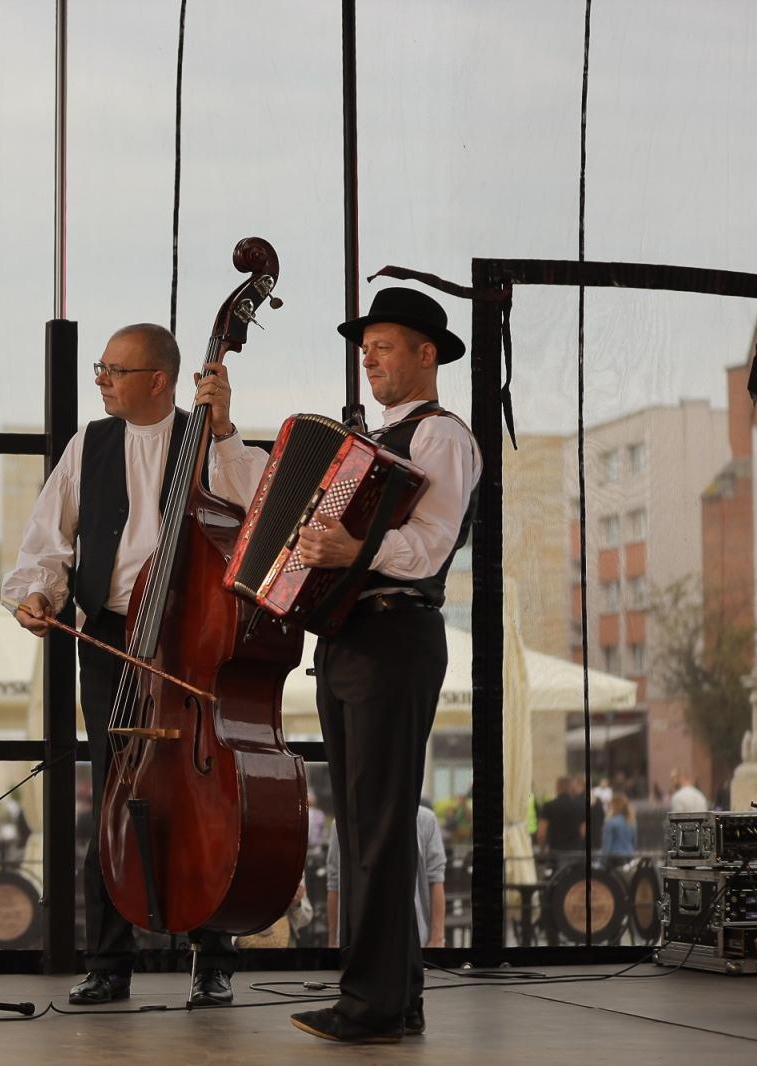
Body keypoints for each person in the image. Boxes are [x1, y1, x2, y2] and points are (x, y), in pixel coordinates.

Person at [197, 287, 481, 1044]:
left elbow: (430, 547)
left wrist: (357, 551)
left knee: (380, 828)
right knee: (363, 827)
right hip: (353, 640)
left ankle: (371, 1006)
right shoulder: (370, 440)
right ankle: (396, 1000)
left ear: (428, 354)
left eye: (384, 345)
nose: (370, 357)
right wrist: (224, 430)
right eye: (368, 347)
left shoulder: (444, 437)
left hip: (396, 633)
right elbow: (265, 495)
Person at [5, 322, 240, 1008]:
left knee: (208, 800)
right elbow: (48, 537)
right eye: (100, 367)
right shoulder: (92, 442)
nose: (100, 378)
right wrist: (41, 591)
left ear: (159, 381)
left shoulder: (209, 440)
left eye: (114, 368)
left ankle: (213, 956)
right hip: (111, 638)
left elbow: (249, 507)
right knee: (115, 789)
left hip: (193, 637)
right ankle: (109, 961)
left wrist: (223, 431)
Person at [325, 800, 448, 978]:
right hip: (357, 943)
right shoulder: (342, 823)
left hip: (412, 942)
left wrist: (437, 939)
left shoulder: (424, 819)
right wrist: (333, 941)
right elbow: (334, 884)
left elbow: (436, 879)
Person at [537, 776, 586, 854]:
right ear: (571, 788)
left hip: (555, 852)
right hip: (576, 852)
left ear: (557, 788)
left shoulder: (549, 806)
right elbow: (583, 832)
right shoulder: (581, 806)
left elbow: (541, 833)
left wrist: (542, 849)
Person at [601, 793, 635, 859]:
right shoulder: (632, 822)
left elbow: (606, 846)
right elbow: (634, 842)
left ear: (614, 806)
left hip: (615, 857)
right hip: (629, 856)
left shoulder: (610, 822)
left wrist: (603, 861)